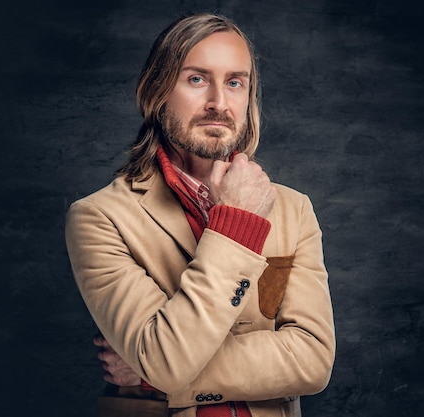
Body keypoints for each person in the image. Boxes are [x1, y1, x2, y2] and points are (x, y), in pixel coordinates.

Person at [65, 12, 336, 417]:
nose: (219, 103)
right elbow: (167, 361)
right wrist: (236, 226)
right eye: (196, 79)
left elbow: (313, 361)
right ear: (156, 91)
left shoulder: (293, 209)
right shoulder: (99, 217)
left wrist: (146, 374)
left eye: (234, 82)